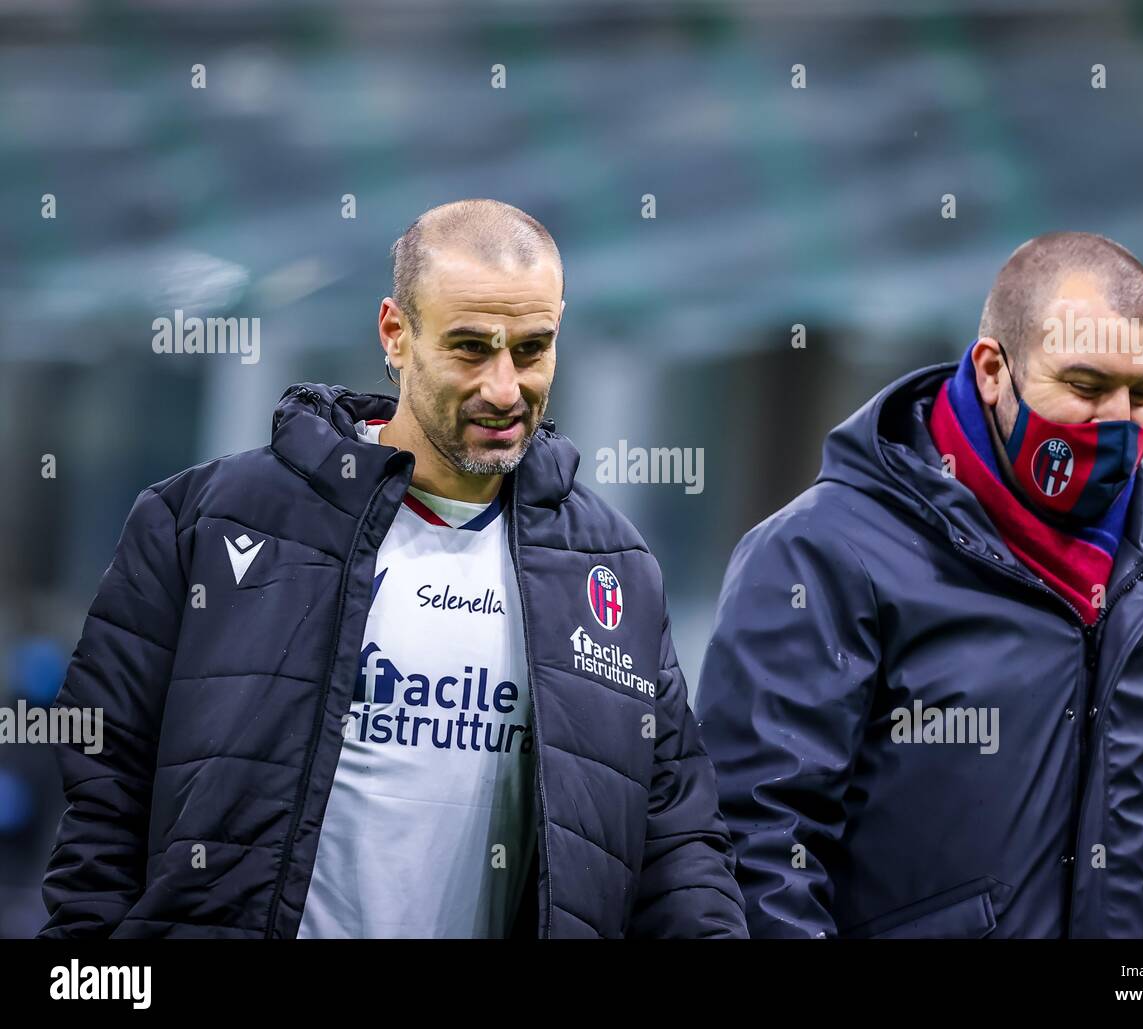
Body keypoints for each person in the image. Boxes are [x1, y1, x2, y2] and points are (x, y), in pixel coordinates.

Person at [39, 198, 747, 940]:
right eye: (471, 347)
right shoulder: (204, 522)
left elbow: (674, 840)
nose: (505, 388)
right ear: (396, 333)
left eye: (532, 349)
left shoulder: (612, 569)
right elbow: (102, 802)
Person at [697, 231, 1143, 939]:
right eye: (1085, 386)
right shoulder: (824, 552)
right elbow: (758, 848)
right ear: (992, 369)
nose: (1117, 421)